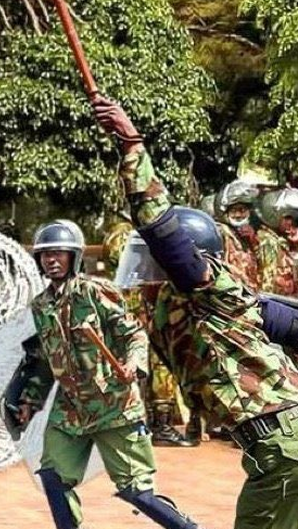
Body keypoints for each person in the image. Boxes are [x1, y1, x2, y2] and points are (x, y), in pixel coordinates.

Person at [94, 95, 298, 529]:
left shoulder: (202, 287)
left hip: (282, 446)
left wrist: (131, 145)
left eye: (158, 261)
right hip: (280, 444)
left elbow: (159, 226)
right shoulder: (212, 302)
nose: (149, 271)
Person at [9, 220, 203, 529]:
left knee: (137, 491)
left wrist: (133, 364)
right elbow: (46, 358)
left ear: (74, 256)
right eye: (46, 255)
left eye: (59, 253)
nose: (52, 260)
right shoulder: (42, 305)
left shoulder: (95, 292)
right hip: (71, 408)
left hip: (114, 403)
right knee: (53, 477)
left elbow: (134, 334)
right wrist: (30, 399)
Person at [103, 220, 196, 447]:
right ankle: (160, 425)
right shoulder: (127, 235)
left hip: (135, 308)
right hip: (139, 308)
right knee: (158, 363)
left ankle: (152, 421)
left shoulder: (119, 234)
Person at [215, 180, 260, 290]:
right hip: (232, 294)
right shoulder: (222, 231)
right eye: (234, 211)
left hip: (250, 293)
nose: (238, 215)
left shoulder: (247, 234)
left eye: (242, 210)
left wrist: (253, 240)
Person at [256, 188, 298, 296]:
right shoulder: (269, 241)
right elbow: (268, 280)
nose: (291, 222)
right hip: (277, 304)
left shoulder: (281, 240)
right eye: (287, 218)